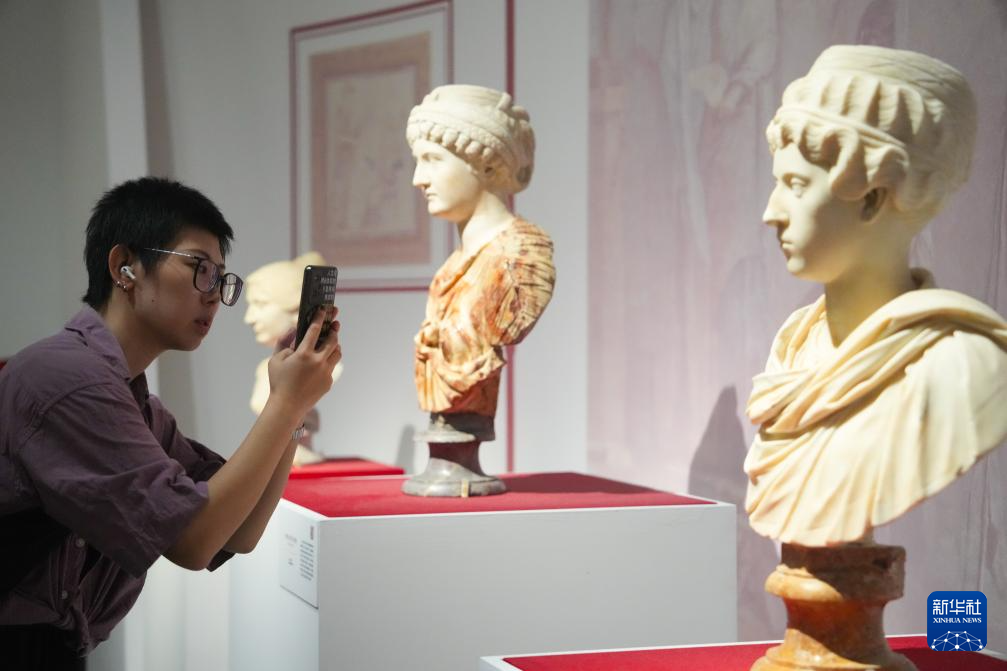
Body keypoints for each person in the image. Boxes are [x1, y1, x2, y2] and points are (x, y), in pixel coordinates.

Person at [0, 177, 342, 668]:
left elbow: (238, 532)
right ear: (124, 267)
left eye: (220, 278)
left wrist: (294, 407)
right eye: (199, 269)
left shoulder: (132, 400)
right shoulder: (67, 378)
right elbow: (193, 541)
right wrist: (286, 403)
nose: (214, 295)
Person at [744, 46, 1007, 546]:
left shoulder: (964, 368)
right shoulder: (794, 347)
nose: (771, 213)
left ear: (872, 198)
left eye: (796, 185)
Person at [244, 251, 344, 466]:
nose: (249, 318)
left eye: (260, 304)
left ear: (295, 307)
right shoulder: (265, 369)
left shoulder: (327, 369)